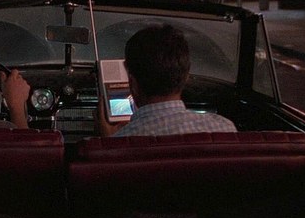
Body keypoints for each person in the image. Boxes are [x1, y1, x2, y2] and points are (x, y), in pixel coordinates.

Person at [99, 24, 236, 137]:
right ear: (186, 77)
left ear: (133, 84)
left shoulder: (120, 143)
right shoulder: (224, 129)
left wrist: (109, 142)